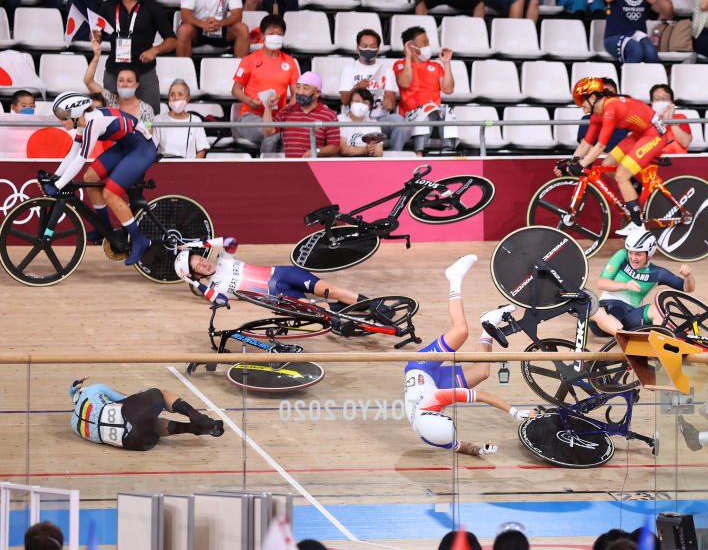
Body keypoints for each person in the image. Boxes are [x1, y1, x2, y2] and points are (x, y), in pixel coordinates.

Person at [405, 254, 534, 455]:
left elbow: (481, 396)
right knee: (482, 371)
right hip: (434, 383)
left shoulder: (437, 399)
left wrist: (515, 412)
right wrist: (481, 450)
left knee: (461, 331)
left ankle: (454, 277)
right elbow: (462, 447)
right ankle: (489, 324)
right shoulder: (430, 435)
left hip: (421, 367)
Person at [44, 92, 157, 265]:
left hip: (141, 150)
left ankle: (139, 240)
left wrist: (58, 185)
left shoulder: (92, 123)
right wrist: (56, 177)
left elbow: (81, 159)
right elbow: (71, 154)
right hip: (125, 146)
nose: (60, 120)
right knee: (90, 177)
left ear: (75, 114)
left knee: (110, 194)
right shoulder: (82, 123)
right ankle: (104, 229)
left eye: (63, 116)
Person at [569, 77, 669, 234]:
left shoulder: (611, 107)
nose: (580, 104)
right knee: (607, 165)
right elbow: (586, 144)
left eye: (582, 100)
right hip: (640, 133)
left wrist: (581, 165)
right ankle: (639, 194)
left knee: (621, 175)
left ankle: (637, 223)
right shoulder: (597, 114)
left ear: (593, 97)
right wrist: (571, 162)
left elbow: (601, 145)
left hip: (654, 134)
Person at [174, 236, 361, 307]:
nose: (205, 263)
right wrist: (195, 283)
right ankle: (361, 309)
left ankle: (373, 305)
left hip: (282, 274)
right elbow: (221, 301)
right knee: (317, 308)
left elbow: (232, 241)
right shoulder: (215, 289)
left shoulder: (223, 259)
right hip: (278, 296)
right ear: (195, 275)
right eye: (199, 266)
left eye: (201, 258)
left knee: (332, 291)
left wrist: (195, 244)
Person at [99, 0, 177, 114]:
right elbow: (98, 36)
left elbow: (172, 40)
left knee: (150, 121)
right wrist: (95, 36)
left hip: (144, 73)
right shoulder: (107, 7)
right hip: (114, 73)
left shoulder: (153, 8)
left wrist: (155, 50)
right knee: (109, 120)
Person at [69, 377, 223, 451]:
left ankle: (192, 429)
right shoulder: (94, 389)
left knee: (150, 425)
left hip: (136, 442)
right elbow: (127, 398)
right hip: (130, 416)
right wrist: (147, 398)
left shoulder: (74, 426)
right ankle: (197, 417)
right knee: (159, 394)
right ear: (81, 388)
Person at [590, 230, 694, 337]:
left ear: (649, 255)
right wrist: (625, 286)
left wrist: (688, 276)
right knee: (594, 307)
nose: (633, 258)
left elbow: (686, 288)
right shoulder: (622, 255)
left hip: (628, 319)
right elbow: (601, 283)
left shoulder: (657, 273)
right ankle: (625, 338)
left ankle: (659, 342)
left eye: (638, 254)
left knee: (657, 309)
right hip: (603, 317)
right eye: (631, 252)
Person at [231, 14, 299, 154]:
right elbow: (236, 90)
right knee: (272, 133)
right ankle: (266, 173)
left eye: (279, 34)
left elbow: (296, 94)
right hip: (249, 117)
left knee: (285, 136)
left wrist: (288, 112)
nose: (276, 36)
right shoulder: (249, 60)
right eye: (271, 33)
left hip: (278, 118)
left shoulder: (290, 62)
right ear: (262, 36)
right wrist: (250, 101)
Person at [393, 26, 457, 156]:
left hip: (435, 113)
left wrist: (446, 63)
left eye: (428, 42)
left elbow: (448, 89)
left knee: (447, 111)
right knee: (425, 111)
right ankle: (419, 153)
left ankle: (448, 151)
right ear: (411, 46)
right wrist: (408, 57)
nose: (428, 46)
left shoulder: (436, 66)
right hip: (411, 115)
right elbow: (404, 83)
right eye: (424, 43)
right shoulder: (400, 64)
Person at [338, 29, 403, 150]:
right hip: (355, 119)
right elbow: (345, 100)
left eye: (372, 46)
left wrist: (389, 103)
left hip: (379, 119)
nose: (368, 49)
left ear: (378, 50)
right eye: (364, 46)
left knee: (398, 121)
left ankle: (396, 155)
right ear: (358, 48)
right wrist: (357, 88)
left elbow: (392, 102)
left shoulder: (387, 71)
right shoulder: (348, 69)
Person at [603, 0, 672, 64]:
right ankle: (628, 79)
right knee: (635, 50)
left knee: (651, 52)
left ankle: (652, 80)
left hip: (637, 33)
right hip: (614, 35)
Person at [261, 72, 339, 158]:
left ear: (317, 93)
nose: (300, 92)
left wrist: (316, 151)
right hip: (291, 167)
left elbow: (334, 147)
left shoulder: (329, 115)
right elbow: (268, 132)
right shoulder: (286, 111)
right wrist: (268, 107)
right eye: (298, 87)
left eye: (305, 88)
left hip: (315, 168)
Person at [84, 33, 157, 126]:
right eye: (121, 80)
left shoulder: (146, 109)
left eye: (129, 81)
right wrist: (96, 56)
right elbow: (88, 81)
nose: (124, 84)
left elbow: (148, 136)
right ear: (117, 83)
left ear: (137, 84)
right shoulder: (109, 100)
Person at [154, 79, 210, 159]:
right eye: (172, 94)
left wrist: (192, 167)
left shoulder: (196, 121)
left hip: (188, 168)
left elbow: (202, 150)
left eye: (180, 94)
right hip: (165, 167)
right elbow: (151, 148)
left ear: (187, 98)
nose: (176, 98)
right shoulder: (158, 120)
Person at [576, 78, 629, 150]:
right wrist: (607, 158)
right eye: (603, 94)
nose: (608, 97)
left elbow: (631, 143)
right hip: (596, 160)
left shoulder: (627, 118)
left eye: (611, 94)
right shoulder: (586, 120)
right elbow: (585, 147)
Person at [339, 88, 384, 157]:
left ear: (370, 107)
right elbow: (343, 149)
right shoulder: (341, 119)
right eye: (357, 101)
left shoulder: (374, 124)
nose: (360, 105)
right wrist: (365, 150)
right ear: (350, 103)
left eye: (365, 102)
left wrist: (354, 150)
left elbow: (378, 152)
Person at [650, 84, 692, 154]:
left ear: (671, 102)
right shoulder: (646, 119)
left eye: (665, 98)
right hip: (654, 159)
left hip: (678, 160)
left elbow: (686, 143)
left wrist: (671, 120)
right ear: (652, 103)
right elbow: (650, 142)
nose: (661, 101)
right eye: (657, 99)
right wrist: (665, 122)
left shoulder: (680, 117)